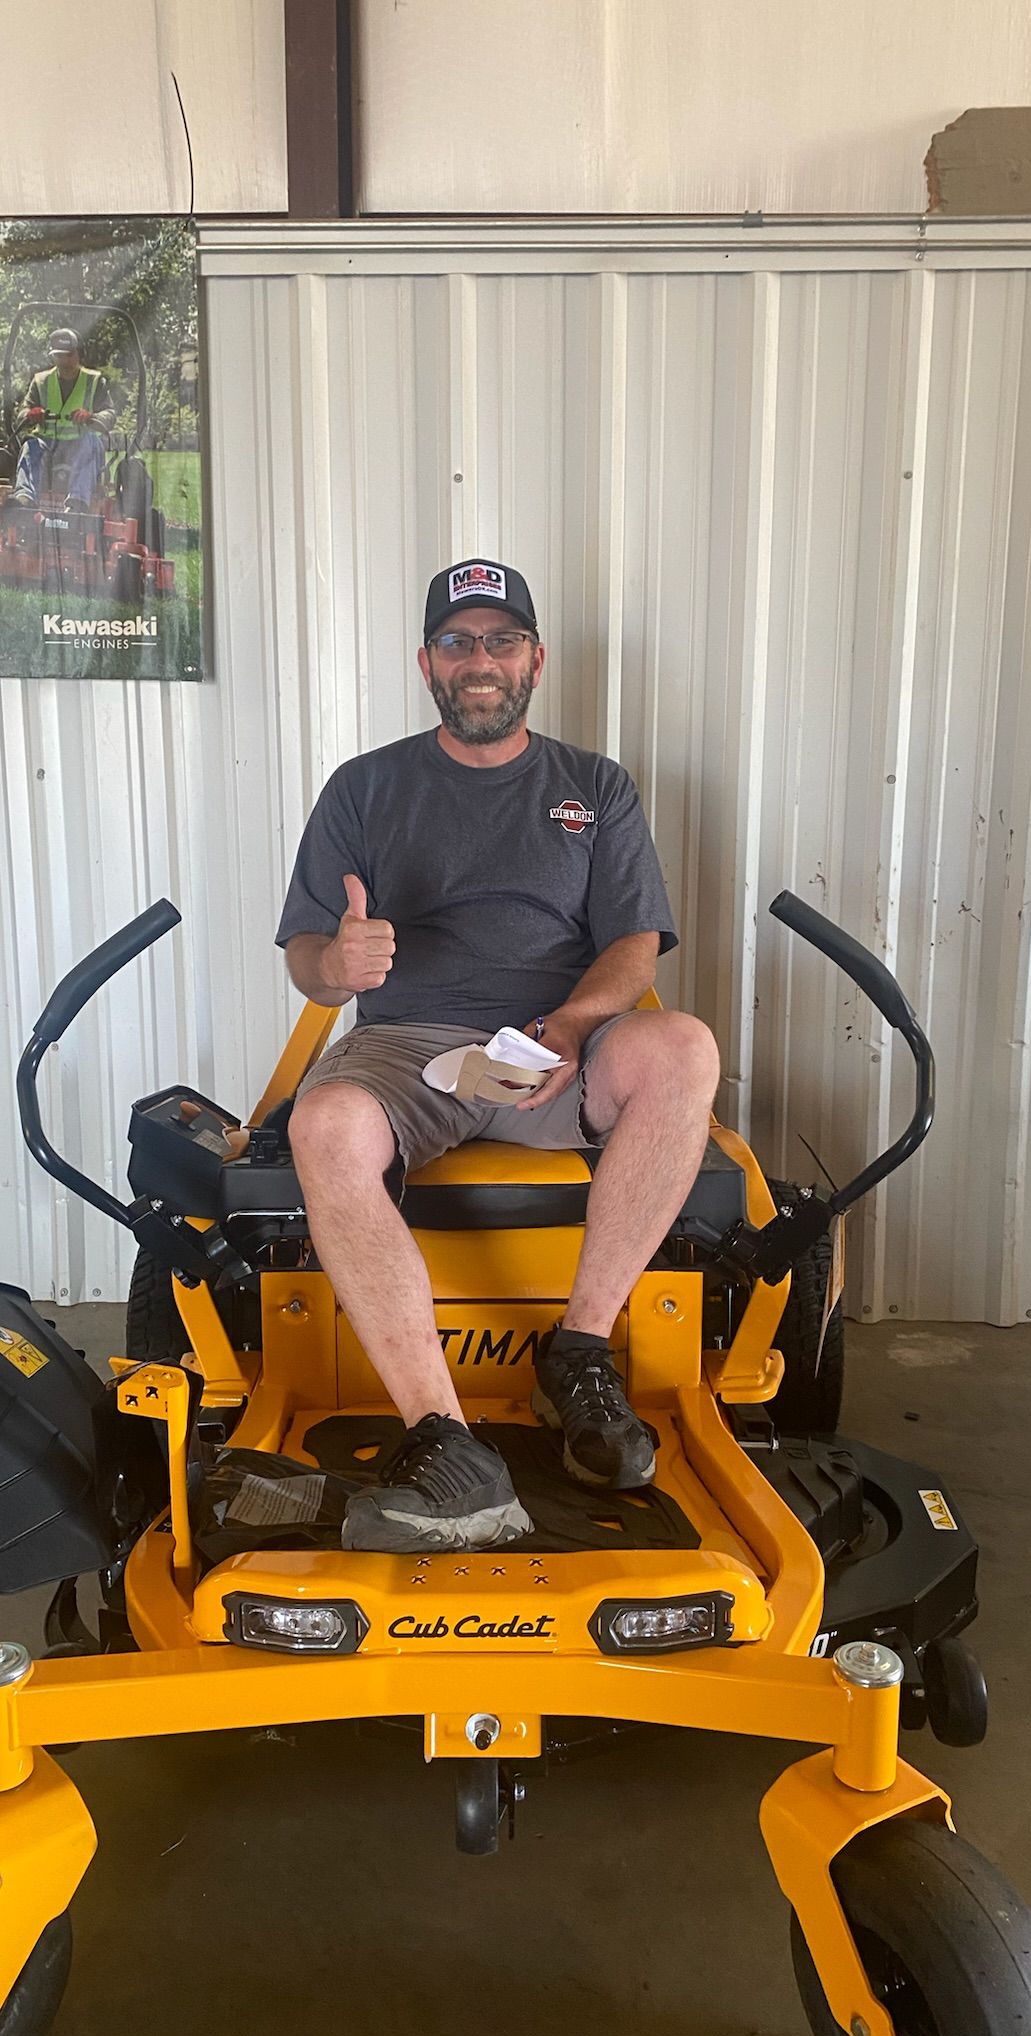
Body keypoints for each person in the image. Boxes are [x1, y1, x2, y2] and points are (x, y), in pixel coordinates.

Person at [277, 559, 721, 1552]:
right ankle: (451, 1445)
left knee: (684, 1045)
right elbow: (308, 959)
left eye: (501, 641)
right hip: (405, 1045)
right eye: (458, 642)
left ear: (535, 658)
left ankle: (578, 1352)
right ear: (426, 661)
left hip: (560, 1044)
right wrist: (336, 962)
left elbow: (634, 944)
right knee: (323, 1119)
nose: (481, 661)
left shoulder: (594, 787)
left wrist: (566, 1025)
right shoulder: (364, 786)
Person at [10, 327, 115, 508]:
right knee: (30, 446)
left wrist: (91, 417)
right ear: (53, 357)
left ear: (78, 354)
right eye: (60, 356)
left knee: (90, 441)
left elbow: (109, 414)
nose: (65, 361)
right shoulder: (41, 382)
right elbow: (21, 415)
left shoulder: (95, 382)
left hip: (81, 445)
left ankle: (77, 501)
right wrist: (30, 414)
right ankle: (25, 499)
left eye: (69, 355)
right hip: (48, 446)